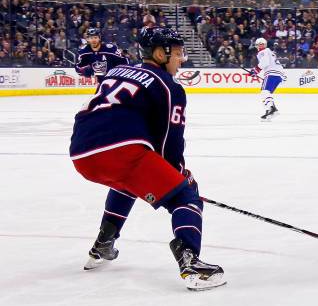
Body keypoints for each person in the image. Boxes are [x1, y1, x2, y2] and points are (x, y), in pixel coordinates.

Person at [69, 27, 225, 291]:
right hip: (121, 149)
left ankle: (103, 244)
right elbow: (170, 140)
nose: (181, 59)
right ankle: (190, 262)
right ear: (159, 54)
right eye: (177, 53)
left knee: (127, 180)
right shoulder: (169, 86)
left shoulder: (117, 71)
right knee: (186, 195)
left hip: (81, 152)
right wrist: (179, 174)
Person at [249, 37, 286, 120]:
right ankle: (268, 111)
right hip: (278, 75)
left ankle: (272, 109)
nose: (260, 46)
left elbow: (265, 62)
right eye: (260, 44)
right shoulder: (270, 52)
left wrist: (255, 70)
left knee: (264, 92)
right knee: (266, 93)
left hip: (271, 74)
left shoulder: (263, 52)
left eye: (262, 44)